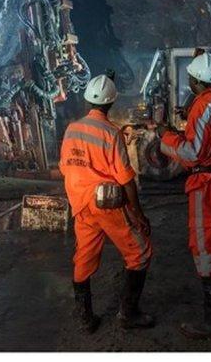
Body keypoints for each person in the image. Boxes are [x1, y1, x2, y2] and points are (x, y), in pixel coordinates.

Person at [156, 51, 211, 342]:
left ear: (194, 80)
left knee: (207, 247)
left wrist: (166, 136)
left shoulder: (203, 105)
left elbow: (193, 153)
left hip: (205, 185)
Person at [59, 74, 154, 333]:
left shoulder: (72, 129)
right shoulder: (111, 133)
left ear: (87, 100)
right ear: (111, 103)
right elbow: (126, 179)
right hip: (106, 204)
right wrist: (138, 215)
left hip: (80, 205)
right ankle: (128, 314)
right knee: (140, 252)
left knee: (84, 258)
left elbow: (65, 167)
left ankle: (85, 319)